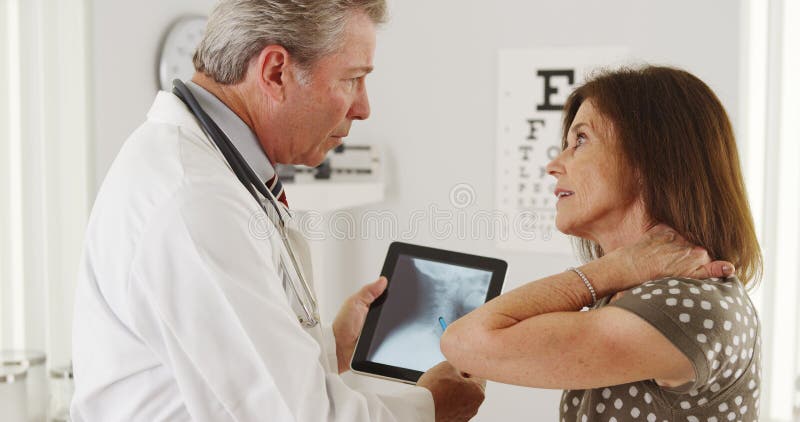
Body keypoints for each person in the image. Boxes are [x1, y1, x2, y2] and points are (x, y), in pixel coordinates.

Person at [71, 1, 484, 421]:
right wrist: (431, 407)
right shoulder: (195, 200)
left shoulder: (209, 169)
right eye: (352, 80)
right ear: (274, 72)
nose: (363, 108)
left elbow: (236, 371)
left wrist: (333, 346)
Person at [441, 66, 762, 421]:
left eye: (580, 140)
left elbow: (464, 341)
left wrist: (617, 267)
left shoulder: (690, 305)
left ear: (650, 157)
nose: (554, 165)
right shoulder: (635, 294)